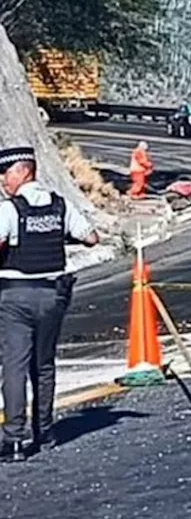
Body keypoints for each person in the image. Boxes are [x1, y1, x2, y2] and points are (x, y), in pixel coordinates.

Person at [0, 146, 99, 463]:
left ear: (24, 171)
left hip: (15, 295)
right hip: (53, 294)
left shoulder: (9, 210)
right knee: (43, 365)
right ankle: (45, 433)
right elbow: (91, 238)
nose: (2, 180)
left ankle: (14, 439)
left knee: (14, 367)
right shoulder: (60, 205)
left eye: (6, 173)